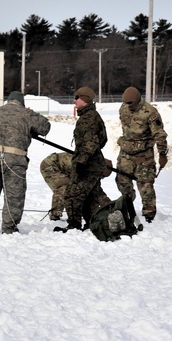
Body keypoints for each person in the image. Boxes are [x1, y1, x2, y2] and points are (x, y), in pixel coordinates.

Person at [0, 91, 51, 234]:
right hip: (15, 160)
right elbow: (45, 128)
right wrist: (31, 114)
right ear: (22, 103)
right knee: (14, 195)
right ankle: (9, 227)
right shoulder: (26, 114)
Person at [116, 86, 168, 223]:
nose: (127, 105)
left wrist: (163, 154)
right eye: (125, 102)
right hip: (126, 153)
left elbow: (160, 135)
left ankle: (149, 214)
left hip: (144, 155)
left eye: (130, 103)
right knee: (122, 181)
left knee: (145, 184)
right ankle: (127, 202)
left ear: (137, 101)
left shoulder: (150, 112)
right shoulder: (123, 108)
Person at [60, 86, 108, 232]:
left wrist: (82, 161)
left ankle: (74, 225)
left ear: (85, 100)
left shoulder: (88, 119)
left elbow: (91, 142)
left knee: (72, 194)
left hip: (88, 165)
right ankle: (93, 223)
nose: (74, 100)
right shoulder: (92, 116)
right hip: (94, 164)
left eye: (77, 97)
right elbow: (103, 140)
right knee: (90, 196)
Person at [40, 151, 112, 221]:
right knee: (65, 188)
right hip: (50, 166)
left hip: (66, 170)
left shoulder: (93, 170)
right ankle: (55, 215)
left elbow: (97, 190)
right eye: (102, 176)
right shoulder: (85, 166)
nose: (101, 178)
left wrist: (109, 206)